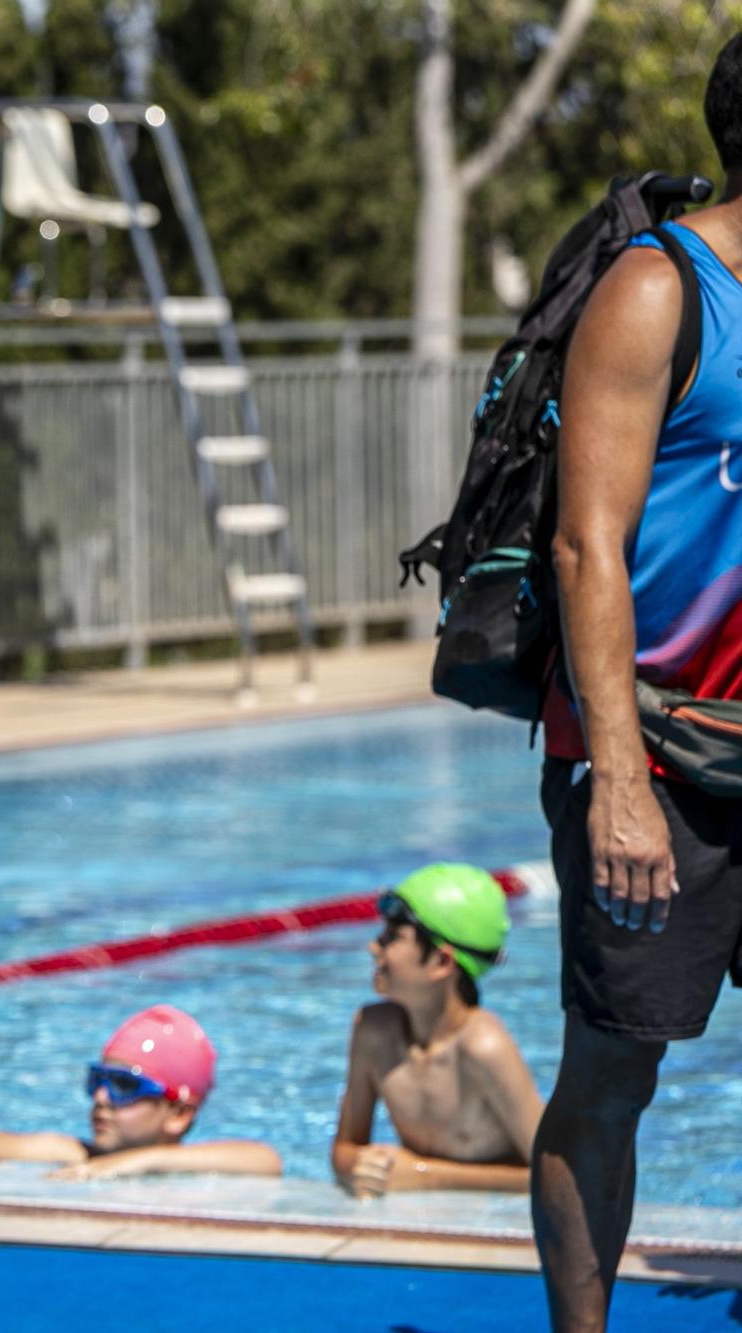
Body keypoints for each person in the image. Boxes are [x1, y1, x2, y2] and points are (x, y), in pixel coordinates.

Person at [535, 35, 742, 1331]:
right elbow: (585, 544)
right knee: (615, 1074)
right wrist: (617, 779)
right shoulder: (662, 290)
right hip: (658, 754)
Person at [330, 864, 543, 1199]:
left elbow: (557, 1176)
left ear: (442, 963)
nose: (374, 947)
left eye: (392, 938)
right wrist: (363, 1163)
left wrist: (424, 1176)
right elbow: (344, 1150)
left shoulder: (483, 1047)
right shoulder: (372, 1031)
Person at [0, 1005, 281, 1183]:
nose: (101, 1098)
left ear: (179, 1113)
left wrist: (133, 1163)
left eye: (125, 1086)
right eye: (99, 1080)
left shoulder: (193, 1164)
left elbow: (265, 1160)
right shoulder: (76, 1154)